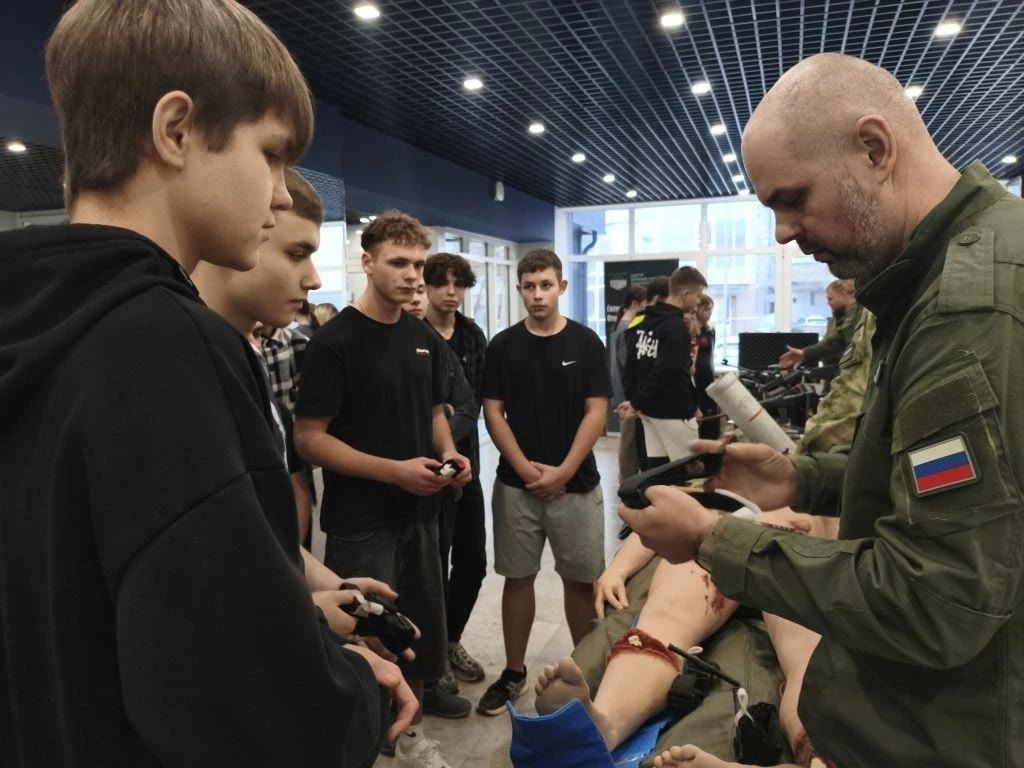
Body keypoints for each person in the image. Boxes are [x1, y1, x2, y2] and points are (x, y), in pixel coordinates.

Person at [0, 2, 415, 767]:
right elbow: (253, 715)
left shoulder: (37, 327)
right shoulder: (169, 345)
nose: (283, 194)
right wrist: (357, 685)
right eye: (271, 154)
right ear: (177, 131)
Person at [620, 52, 1024, 767]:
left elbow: (937, 599)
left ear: (874, 148)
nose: (782, 231)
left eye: (793, 198)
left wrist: (715, 541)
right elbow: (943, 485)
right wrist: (803, 480)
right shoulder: (947, 275)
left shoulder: (966, 311)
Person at [295, 209, 471, 768]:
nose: (413, 275)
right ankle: (361, 740)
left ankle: (410, 734)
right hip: (361, 521)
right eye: (399, 263)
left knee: (414, 632)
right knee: (364, 634)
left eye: (418, 264)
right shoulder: (335, 342)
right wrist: (393, 470)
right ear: (367, 263)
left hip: (420, 513)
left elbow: (436, 410)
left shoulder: (422, 337)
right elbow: (309, 439)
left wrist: (449, 453)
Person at [478, 248, 612, 715]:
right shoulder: (503, 346)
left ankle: (588, 672)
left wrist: (564, 471)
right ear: (519, 290)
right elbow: (493, 412)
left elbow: (596, 412)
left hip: (576, 485)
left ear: (562, 287)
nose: (538, 294)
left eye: (546, 285)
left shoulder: (586, 343)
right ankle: (514, 672)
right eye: (529, 287)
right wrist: (525, 469)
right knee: (518, 579)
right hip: (517, 487)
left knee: (580, 582)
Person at [402, 277, 476, 720]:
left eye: (418, 284)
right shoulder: (359, 339)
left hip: (448, 479)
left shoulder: (440, 347)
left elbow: (465, 407)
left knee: (458, 570)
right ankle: (409, 690)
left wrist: (442, 435)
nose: (415, 297)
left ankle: (438, 661)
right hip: (389, 494)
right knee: (406, 589)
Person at [422, 252, 489, 688]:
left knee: (473, 562)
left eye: (458, 284)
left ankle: (450, 640)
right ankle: (431, 658)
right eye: (442, 283)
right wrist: (444, 415)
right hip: (428, 469)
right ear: (427, 286)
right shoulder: (415, 334)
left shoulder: (472, 335)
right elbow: (417, 412)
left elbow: (473, 403)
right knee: (432, 565)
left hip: (468, 466)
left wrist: (448, 416)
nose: (451, 292)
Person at [618, 267, 708, 468]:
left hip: (649, 412)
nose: (698, 301)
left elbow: (631, 368)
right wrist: (635, 402)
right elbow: (665, 371)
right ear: (685, 294)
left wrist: (636, 401)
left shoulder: (644, 322)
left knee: (659, 471)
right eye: (698, 296)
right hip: (673, 412)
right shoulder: (675, 327)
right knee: (691, 471)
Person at [610, 284, 649, 480]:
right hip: (626, 396)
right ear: (635, 304)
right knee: (628, 445)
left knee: (630, 443)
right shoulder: (626, 329)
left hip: (624, 394)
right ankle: (627, 485)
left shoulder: (622, 326)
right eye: (645, 304)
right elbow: (628, 364)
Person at [779, 280, 859, 370]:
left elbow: (834, 344)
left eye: (830, 299)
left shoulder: (854, 315)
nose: (828, 303)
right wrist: (805, 354)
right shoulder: (838, 317)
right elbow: (831, 343)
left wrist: (805, 353)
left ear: (843, 295)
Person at [694, 295, 721, 440]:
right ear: (697, 309)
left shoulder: (710, 330)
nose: (709, 313)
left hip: (708, 377)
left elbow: (710, 356)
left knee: (712, 417)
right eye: (706, 309)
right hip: (695, 379)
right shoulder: (691, 331)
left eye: (711, 310)